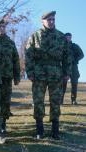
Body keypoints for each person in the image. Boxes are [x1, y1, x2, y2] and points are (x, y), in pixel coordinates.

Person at [25, 11, 71, 140]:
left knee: (55, 101)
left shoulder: (61, 36)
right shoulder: (35, 36)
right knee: (38, 101)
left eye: (53, 19)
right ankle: (39, 130)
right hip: (39, 73)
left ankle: (55, 131)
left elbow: (68, 56)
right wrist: (30, 72)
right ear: (42, 21)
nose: (51, 21)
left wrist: (67, 72)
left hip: (56, 73)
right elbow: (28, 56)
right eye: (49, 19)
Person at [0, 19, 21, 134]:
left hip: (7, 77)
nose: (2, 28)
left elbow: (15, 60)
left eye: (3, 26)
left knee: (5, 101)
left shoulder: (10, 42)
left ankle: (3, 124)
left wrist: (17, 76)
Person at [61, 33, 84, 105]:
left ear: (71, 38)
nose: (68, 38)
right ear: (64, 38)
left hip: (73, 67)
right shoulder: (61, 46)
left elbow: (81, 55)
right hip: (64, 67)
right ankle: (60, 100)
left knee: (74, 84)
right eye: (66, 37)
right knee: (63, 84)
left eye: (69, 37)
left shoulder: (75, 46)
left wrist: (75, 60)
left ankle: (73, 100)